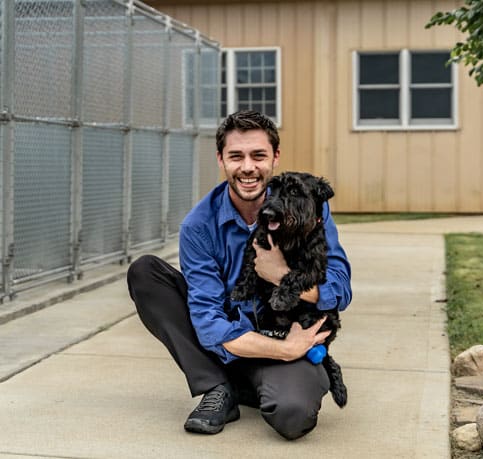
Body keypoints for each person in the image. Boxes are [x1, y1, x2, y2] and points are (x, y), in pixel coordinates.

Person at [127, 110, 352, 440]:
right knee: (146, 272)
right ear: (221, 159)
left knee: (293, 416)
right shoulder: (199, 226)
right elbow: (207, 320)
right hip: (233, 342)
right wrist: (285, 351)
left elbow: (341, 288)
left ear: (275, 157)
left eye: (258, 155)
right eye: (236, 156)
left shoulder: (309, 207)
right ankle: (217, 386)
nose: (248, 167)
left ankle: (250, 385)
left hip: (284, 329)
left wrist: (281, 275)